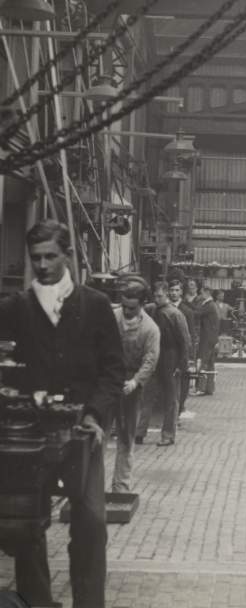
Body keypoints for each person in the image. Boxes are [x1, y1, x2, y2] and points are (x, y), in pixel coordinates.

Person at [0, 220, 124, 608]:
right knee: (26, 525)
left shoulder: (96, 306)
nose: (42, 265)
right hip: (29, 436)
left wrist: (94, 414)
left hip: (82, 432)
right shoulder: (16, 308)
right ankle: (36, 602)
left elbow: (113, 370)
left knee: (91, 522)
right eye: (35, 257)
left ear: (67, 255)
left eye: (50, 256)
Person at [105, 279, 159, 492]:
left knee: (126, 437)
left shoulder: (150, 329)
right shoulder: (112, 318)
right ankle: (92, 486)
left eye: (132, 308)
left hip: (131, 385)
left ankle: (121, 486)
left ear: (142, 304)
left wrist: (136, 381)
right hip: (108, 382)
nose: (126, 311)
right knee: (98, 433)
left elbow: (150, 360)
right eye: (124, 306)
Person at [136, 281, 191, 447]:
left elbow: (185, 341)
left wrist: (182, 365)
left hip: (170, 357)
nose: (157, 298)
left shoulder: (175, 314)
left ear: (167, 295)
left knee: (171, 399)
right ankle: (139, 432)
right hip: (154, 356)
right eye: (155, 295)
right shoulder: (151, 310)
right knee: (147, 395)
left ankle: (168, 435)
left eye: (160, 296)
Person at [168, 279, 197, 409]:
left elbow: (191, 335)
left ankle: (180, 407)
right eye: (171, 290)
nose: (174, 293)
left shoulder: (187, 311)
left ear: (181, 292)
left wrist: (191, 357)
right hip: (167, 351)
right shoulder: (163, 308)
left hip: (182, 352)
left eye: (177, 290)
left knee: (183, 379)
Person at [195, 285, 219, 395]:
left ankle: (201, 388)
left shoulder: (208, 305)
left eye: (202, 293)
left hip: (207, 338)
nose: (200, 295)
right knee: (210, 363)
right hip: (211, 338)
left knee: (203, 362)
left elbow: (197, 313)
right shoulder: (212, 305)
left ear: (207, 292)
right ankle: (209, 388)